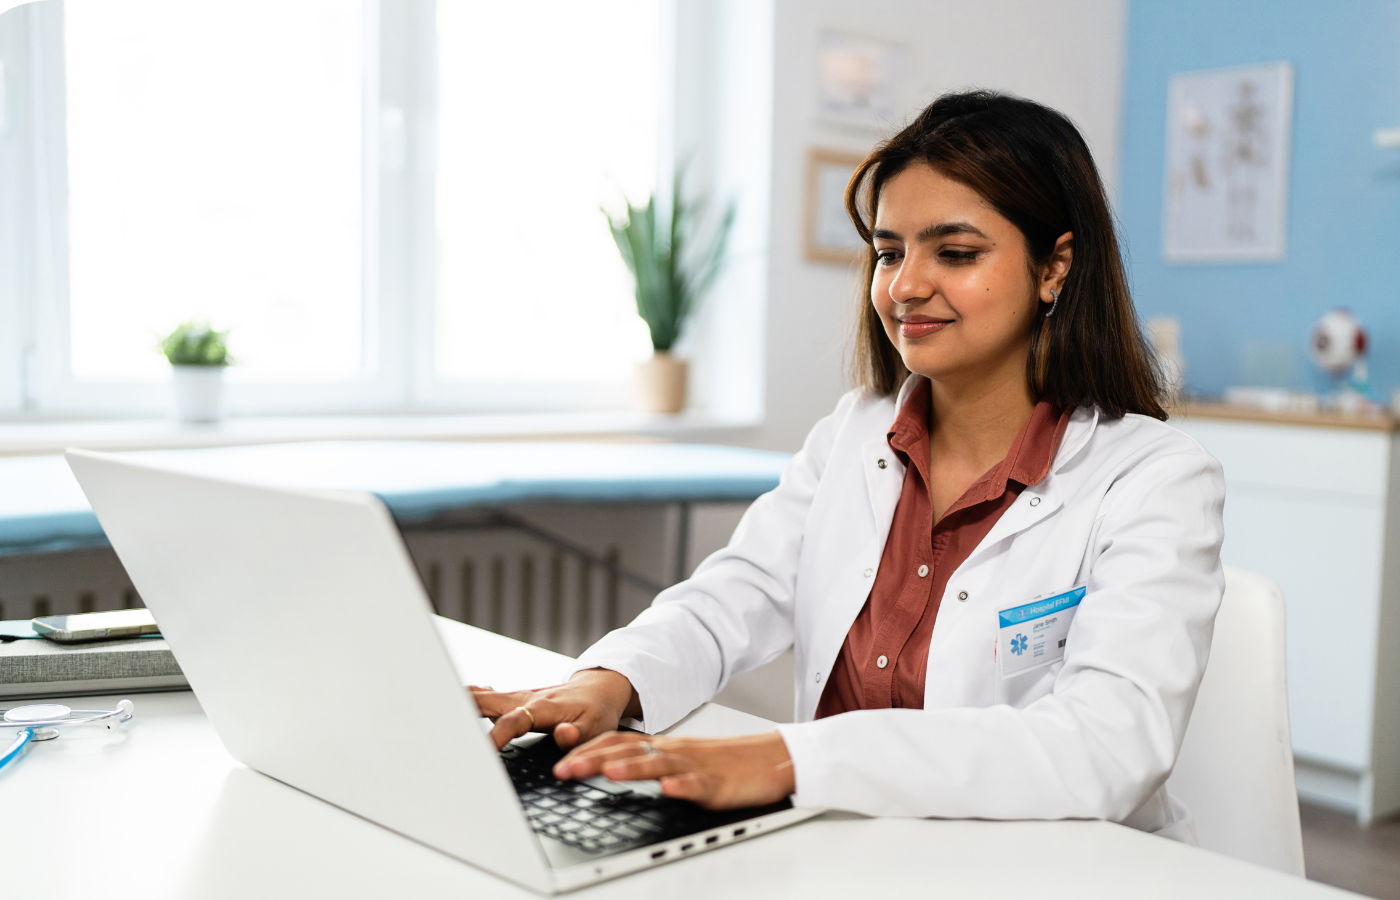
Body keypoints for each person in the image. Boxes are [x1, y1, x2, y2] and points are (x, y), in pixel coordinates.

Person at [470, 89, 1225, 840]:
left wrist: (790, 760)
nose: (903, 286)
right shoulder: (857, 432)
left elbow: (1109, 743)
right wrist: (612, 681)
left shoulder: (1156, 478)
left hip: (1047, 863)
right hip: (857, 847)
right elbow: (738, 591)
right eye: (890, 251)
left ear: (1054, 267)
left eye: (955, 253)